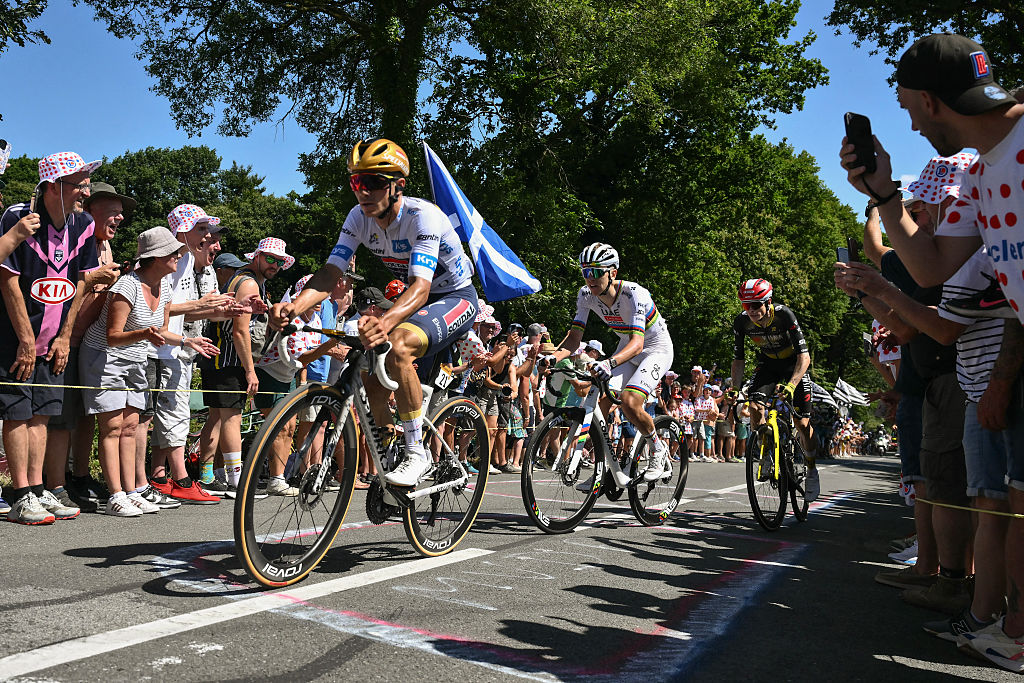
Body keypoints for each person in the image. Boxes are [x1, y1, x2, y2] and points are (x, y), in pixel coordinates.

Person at [271, 138, 478, 488]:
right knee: (370, 373)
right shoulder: (358, 218)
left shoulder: (422, 216)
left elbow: (420, 288)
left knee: (396, 346)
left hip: (454, 296)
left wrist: (383, 322)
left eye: (372, 183)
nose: (362, 192)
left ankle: (416, 453)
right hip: (416, 301)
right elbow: (328, 274)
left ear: (398, 185)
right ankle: (388, 450)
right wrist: (295, 305)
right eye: (356, 182)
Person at [0, 152, 102, 524]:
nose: (84, 192)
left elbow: (82, 282)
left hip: (54, 337)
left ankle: (39, 488)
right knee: (18, 413)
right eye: (79, 184)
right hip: (15, 337)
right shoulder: (17, 217)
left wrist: (64, 337)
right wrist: (25, 339)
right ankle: (22, 494)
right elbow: (6, 279)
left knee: (43, 414)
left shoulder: (85, 224)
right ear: (54, 186)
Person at [553, 242, 674, 485]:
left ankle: (658, 450)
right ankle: (603, 470)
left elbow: (638, 343)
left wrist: (609, 363)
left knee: (630, 401)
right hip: (627, 348)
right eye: (586, 272)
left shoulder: (634, 293)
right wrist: (551, 357)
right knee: (601, 404)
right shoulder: (585, 295)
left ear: (613, 273)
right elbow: (575, 338)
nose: (590, 278)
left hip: (654, 349)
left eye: (597, 272)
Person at [47, 181, 133, 512]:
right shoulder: (73, 240)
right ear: (89, 210)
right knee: (60, 417)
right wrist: (94, 281)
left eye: (121, 214)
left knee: (84, 415)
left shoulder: (105, 246)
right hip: (64, 341)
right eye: (112, 212)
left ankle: (79, 476)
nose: (119, 219)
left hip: (87, 344)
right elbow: (62, 292)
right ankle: (54, 482)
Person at [201, 236, 287, 493]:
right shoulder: (249, 282)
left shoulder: (245, 279)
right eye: (270, 259)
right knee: (232, 418)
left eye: (280, 262)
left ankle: (208, 476)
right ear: (257, 257)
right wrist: (250, 370)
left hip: (219, 356)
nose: (274, 265)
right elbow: (240, 331)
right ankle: (236, 480)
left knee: (216, 417)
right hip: (228, 357)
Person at [731, 278, 820, 501]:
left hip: (794, 364)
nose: (750, 310)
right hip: (768, 364)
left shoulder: (784, 315)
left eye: (756, 305)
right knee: (754, 408)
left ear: (768, 302)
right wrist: (734, 387)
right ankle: (767, 454)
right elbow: (738, 359)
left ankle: (811, 469)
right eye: (745, 305)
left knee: (801, 423)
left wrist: (791, 385)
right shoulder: (741, 322)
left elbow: (804, 356)